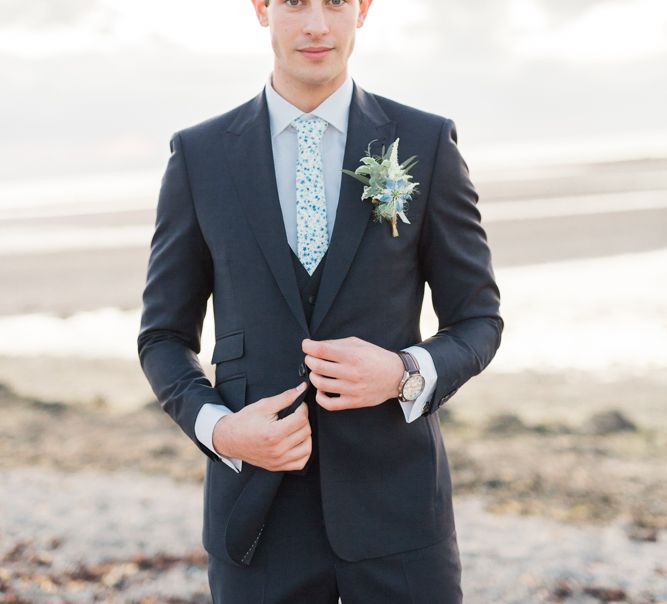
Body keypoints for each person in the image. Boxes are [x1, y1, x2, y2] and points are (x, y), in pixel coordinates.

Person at [137, 0, 503, 601]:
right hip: (255, 517)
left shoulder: (426, 142)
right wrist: (222, 431)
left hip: (400, 518)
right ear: (262, 9)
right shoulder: (200, 157)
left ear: (362, 9)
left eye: (335, 2)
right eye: (295, 2)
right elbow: (163, 338)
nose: (315, 25)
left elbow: (478, 319)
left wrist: (405, 372)